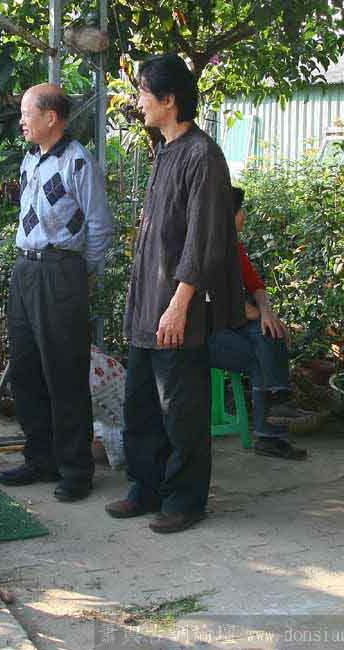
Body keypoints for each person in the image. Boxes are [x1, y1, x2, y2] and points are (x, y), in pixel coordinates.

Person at [105, 54, 245, 533]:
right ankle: (145, 489)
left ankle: (185, 501)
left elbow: (204, 241)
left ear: (169, 100)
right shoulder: (165, 149)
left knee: (181, 412)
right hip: (148, 306)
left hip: (177, 309)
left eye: (144, 93)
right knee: (141, 406)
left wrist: (179, 305)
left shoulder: (202, 155)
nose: (138, 101)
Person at [0, 83, 114, 502]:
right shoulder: (31, 158)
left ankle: (76, 470)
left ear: (51, 117)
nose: (21, 121)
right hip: (26, 269)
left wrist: (81, 272)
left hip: (61, 269)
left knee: (64, 371)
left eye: (27, 113)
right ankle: (39, 458)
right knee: (25, 370)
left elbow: (99, 226)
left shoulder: (78, 161)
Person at [208, 187, 314, 460]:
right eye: (241, 210)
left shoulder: (235, 248)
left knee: (270, 335)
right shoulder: (209, 249)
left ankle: (278, 406)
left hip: (235, 327)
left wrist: (267, 312)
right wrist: (258, 315)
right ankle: (271, 430)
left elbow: (256, 286)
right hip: (207, 336)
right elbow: (223, 303)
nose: (244, 215)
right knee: (263, 350)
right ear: (228, 216)